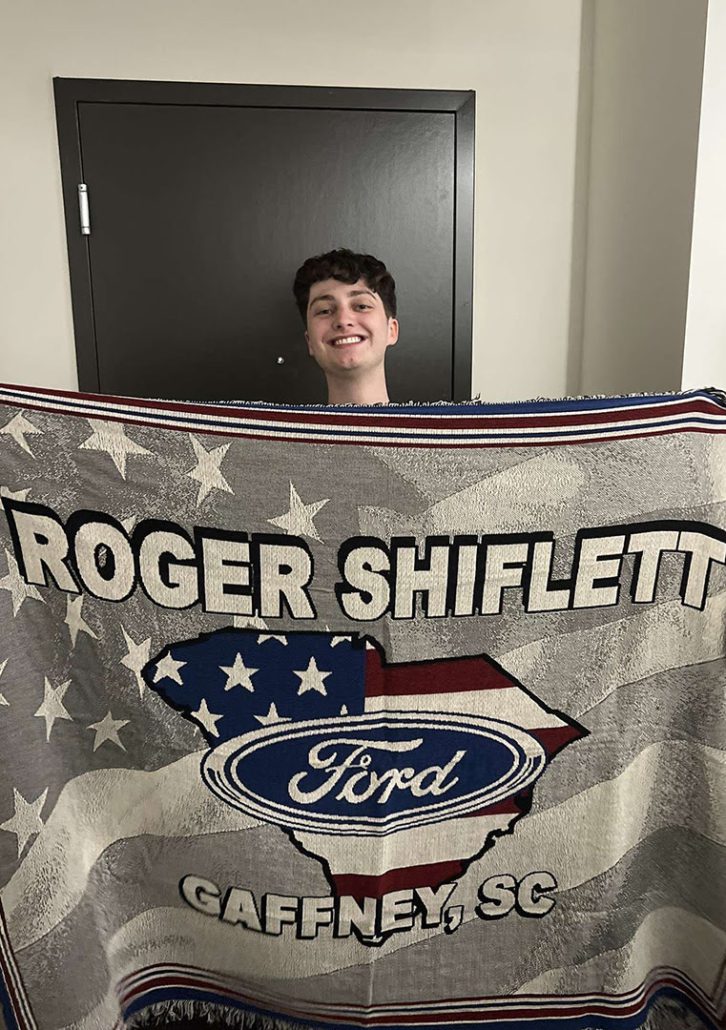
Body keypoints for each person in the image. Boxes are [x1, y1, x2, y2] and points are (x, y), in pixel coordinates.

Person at [292, 249, 399, 405]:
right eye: (325, 310)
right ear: (310, 342)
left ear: (392, 330)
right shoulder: (273, 429)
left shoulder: (440, 428)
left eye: (362, 306)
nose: (342, 320)